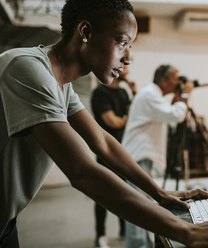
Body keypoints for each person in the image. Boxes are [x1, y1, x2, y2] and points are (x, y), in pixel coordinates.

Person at [0, 0, 208, 248]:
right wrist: (185, 231)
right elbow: (82, 171)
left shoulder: (60, 86)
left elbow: (101, 142)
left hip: (1, 224)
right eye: (122, 42)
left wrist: (158, 192)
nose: (128, 57)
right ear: (86, 32)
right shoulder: (26, 69)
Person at [121, 64, 193, 247]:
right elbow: (175, 115)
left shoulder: (152, 94)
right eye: (176, 78)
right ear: (164, 80)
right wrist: (184, 96)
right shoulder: (149, 94)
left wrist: (179, 98)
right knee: (138, 208)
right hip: (139, 157)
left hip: (140, 156)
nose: (179, 82)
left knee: (143, 206)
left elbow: (171, 116)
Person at [90, 67, 136, 248]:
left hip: (125, 150)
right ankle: (100, 235)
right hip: (106, 151)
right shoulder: (100, 92)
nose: (127, 69)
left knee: (125, 191)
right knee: (103, 194)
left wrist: (133, 91)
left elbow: (130, 114)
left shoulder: (124, 92)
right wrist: (128, 119)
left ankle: (124, 228)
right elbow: (112, 121)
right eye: (124, 67)